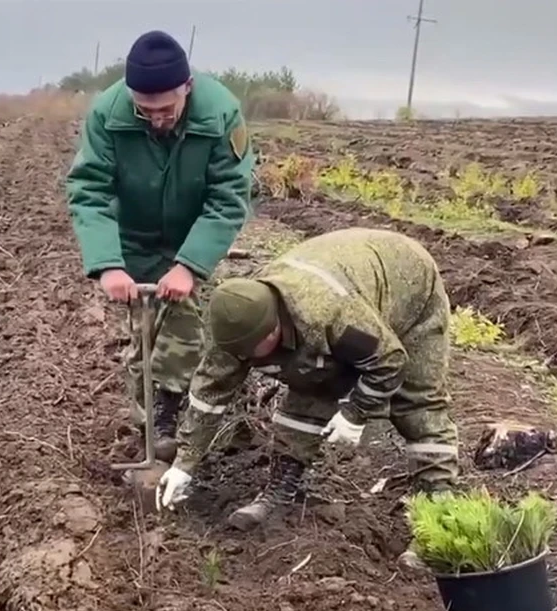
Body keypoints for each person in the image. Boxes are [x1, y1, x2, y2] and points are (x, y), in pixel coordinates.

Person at [155, 227, 461, 531]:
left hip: (408, 283)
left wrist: (355, 412)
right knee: (310, 379)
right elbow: (210, 392)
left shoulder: (331, 316)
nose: (247, 361)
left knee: (417, 403)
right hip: (344, 272)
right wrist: (185, 463)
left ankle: (438, 512)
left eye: (252, 353)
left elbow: (389, 361)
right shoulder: (235, 325)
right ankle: (281, 492)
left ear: (273, 328)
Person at [65, 30, 255, 452]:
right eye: (144, 109)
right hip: (133, 238)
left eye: (166, 109)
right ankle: (151, 428)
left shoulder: (221, 113)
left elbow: (228, 198)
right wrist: (108, 264)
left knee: (186, 326)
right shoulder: (107, 114)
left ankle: (174, 419)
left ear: (187, 87)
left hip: (193, 236)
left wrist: (189, 265)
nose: (155, 119)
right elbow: (89, 191)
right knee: (143, 337)